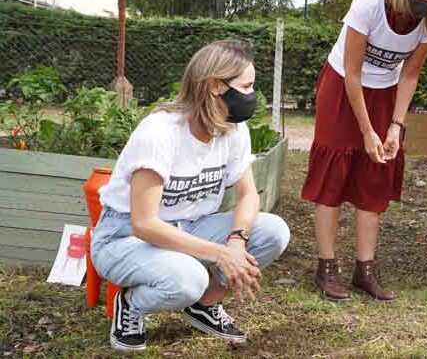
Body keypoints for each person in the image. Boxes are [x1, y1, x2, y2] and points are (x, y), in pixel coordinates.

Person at [91, 39, 291, 352]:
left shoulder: (233, 129)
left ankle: (205, 305)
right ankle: (131, 304)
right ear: (215, 86)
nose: (253, 96)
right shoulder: (160, 132)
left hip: (191, 225)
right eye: (247, 85)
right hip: (125, 237)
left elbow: (249, 194)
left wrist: (237, 241)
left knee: (273, 232)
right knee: (189, 280)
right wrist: (221, 254)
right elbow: (144, 224)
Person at [301, 0, 427, 301]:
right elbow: (353, 73)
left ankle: (364, 270)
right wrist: (367, 131)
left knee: (375, 174)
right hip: (342, 87)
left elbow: (410, 75)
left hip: (384, 92)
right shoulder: (369, 3)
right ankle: (326, 266)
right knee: (334, 174)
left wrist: (394, 127)